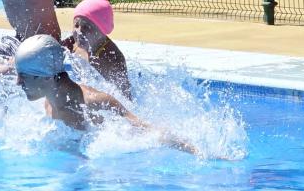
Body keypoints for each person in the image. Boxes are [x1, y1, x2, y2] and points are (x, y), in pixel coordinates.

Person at [14, 34, 199, 156]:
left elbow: (148, 131)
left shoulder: (93, 102)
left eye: (23, 76)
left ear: (46, 77)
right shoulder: (48, 100)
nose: (18, 82)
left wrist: (197, 152)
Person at [62, 0, 132, 101]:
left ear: (102, 32)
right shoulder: (73, 42)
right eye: (76, 25)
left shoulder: (111, 59)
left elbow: (125, 98)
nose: (79, 31)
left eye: (87, 27)